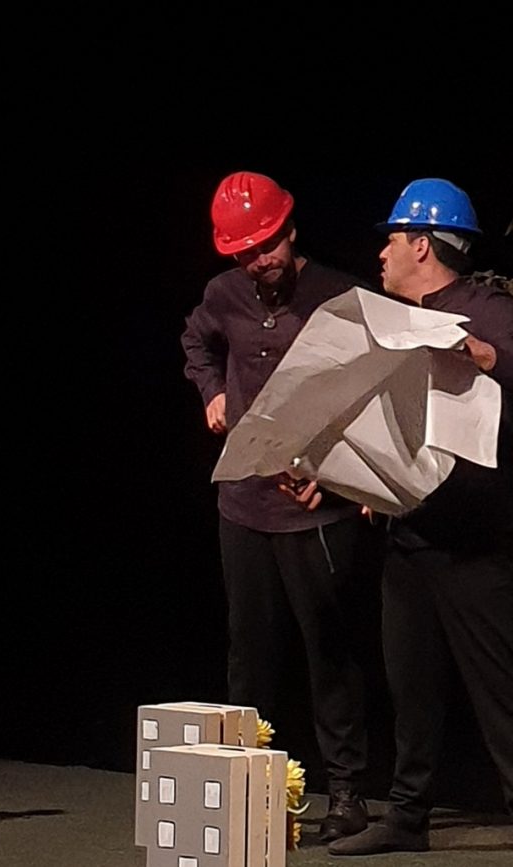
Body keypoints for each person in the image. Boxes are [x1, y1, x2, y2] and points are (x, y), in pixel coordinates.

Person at [323, 178, 513, 866]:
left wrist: (483, 354)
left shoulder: (485, 309)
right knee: (411, 687)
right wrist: (366, 479)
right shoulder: (390, 320)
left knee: (499, 687)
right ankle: (407, 816)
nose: (382, 254)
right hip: (408, 535)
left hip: (474, 542)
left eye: (392, 240)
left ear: (423, 246)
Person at [181, 170, 374, 841]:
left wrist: (343, 474)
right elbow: (195, 339)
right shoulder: (223, 294)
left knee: (329, 649)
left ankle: (347, 793)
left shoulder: (340, 297)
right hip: (243, 501)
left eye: (266, 246)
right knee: (250, 650)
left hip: (316, 506)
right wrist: (211, 389)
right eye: (244, 252)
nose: (258, 261)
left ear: (291, 231)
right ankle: (243, 787)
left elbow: (373, 392)